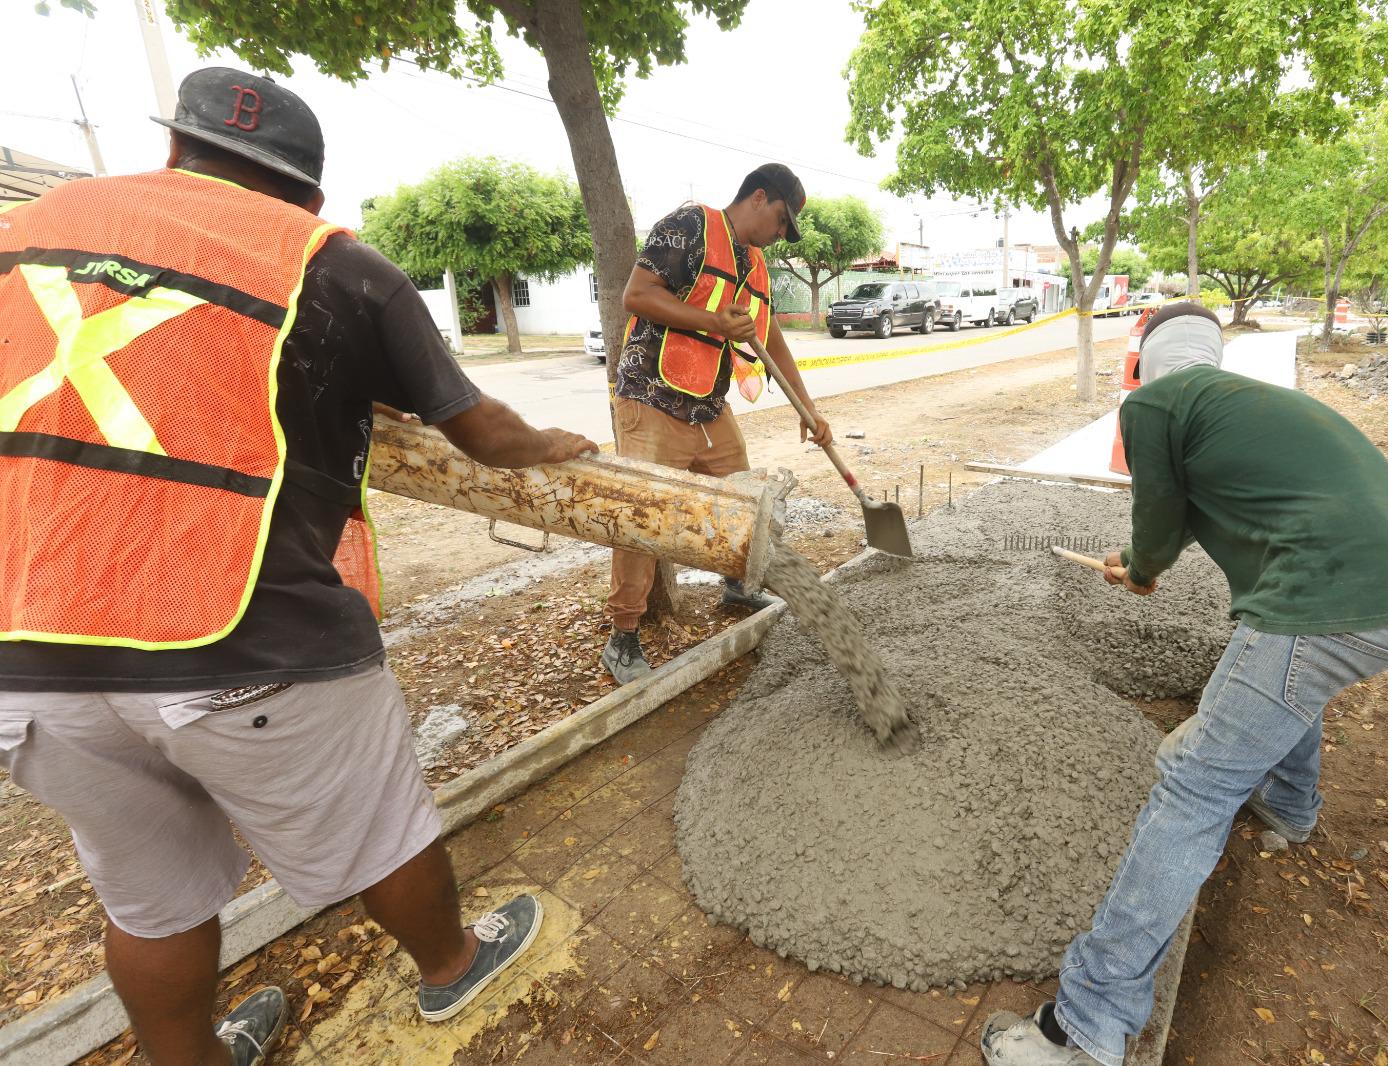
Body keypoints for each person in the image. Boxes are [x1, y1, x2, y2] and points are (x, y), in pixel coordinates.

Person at [0, 68, 597, 1066]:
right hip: (236, 630)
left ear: (175, 150)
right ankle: (454, 963)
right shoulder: (333, 264)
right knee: (380, 824)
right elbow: (482, 433)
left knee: (147, 896)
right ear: (308, 196)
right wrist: (549, 443)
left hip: (33, 646)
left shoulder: (33, 232)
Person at [980, 304, 1388, 1066]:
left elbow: (1157, 520)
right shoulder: (1258, 407)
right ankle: (1291, 804)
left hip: (1328, 599)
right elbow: (1194, 530)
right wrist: (1146, 561)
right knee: (1284, 673)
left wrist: (1139, 570)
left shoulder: (1154, 404)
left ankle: (1083, 1028)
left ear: (1144, 362)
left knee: (1193, 786)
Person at [601, 164, 833, 684]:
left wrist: (807, 407)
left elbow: (769, 338)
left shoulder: (754, 265)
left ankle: (736, 583)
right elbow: (636, 296)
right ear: (758, 198)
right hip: (652, 399)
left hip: (707, 406)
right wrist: (712, 322)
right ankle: (623, 636)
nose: (779, 234)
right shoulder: (690, 225)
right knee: (640, 515)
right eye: (779, 221)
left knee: (745, 500)